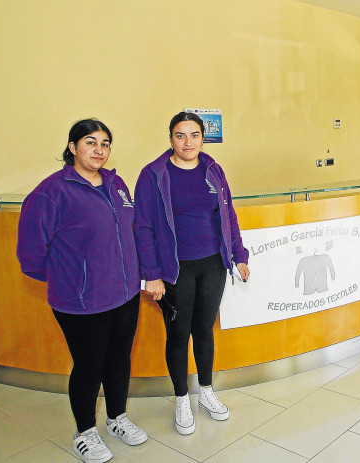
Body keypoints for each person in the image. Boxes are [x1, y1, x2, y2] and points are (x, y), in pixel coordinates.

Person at [17, 119, 147, 463]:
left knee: (119, 360)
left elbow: (128, 234)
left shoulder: (117, 183)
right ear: (73, 147)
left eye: (105, 143)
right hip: (81, 301)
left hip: (125, 294)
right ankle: (85, 432)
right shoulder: (50, 192)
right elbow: (30, 256)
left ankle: (117, 418)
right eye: (90, 142)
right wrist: (75, 278)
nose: (99, 150)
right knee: (90, 365)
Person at [134, 112, 250, 435]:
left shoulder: (213, 170)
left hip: (213, 263)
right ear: (170, 138)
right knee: (178, 333)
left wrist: (238, 255)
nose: (188, 142)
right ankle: (182, 397)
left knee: (204, 329)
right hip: (174, 269)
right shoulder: (153, 175)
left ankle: (206, 392)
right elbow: (142, 227)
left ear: (203, 137)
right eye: (180, 135)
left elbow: (229, 214)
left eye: (194, 135)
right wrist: (151, 274)